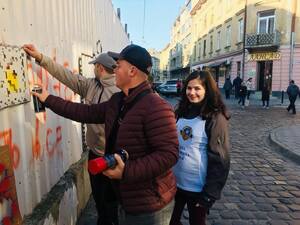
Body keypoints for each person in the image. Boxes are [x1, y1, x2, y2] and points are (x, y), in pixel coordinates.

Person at [31, 44, 179, 225]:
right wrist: (47, 98)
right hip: (125, 197)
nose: (114, 70)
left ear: (132, 71)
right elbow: (84, 112)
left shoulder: (157, 107)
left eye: (118, 66)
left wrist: (126, 171)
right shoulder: (118, 101)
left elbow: (169, 154)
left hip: (150, 205)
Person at [23, 44, 120, 225]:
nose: (93, 69)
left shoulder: (119, 92)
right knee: (99, 200)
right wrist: (41, 58)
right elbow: (66, 76)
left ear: (100, 68)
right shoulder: (91, 85)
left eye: (94, 66)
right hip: (94, 154)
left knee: (111, 204)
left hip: (112, 158)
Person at [169, 70, 230, 225]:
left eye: (197, 89)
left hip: (197, 189)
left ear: (207, 90)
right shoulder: (181, 111)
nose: (192, 92)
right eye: (189, 88)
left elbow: (221, 160)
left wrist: (209, 194)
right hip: (174, 184)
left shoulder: (215, 118)